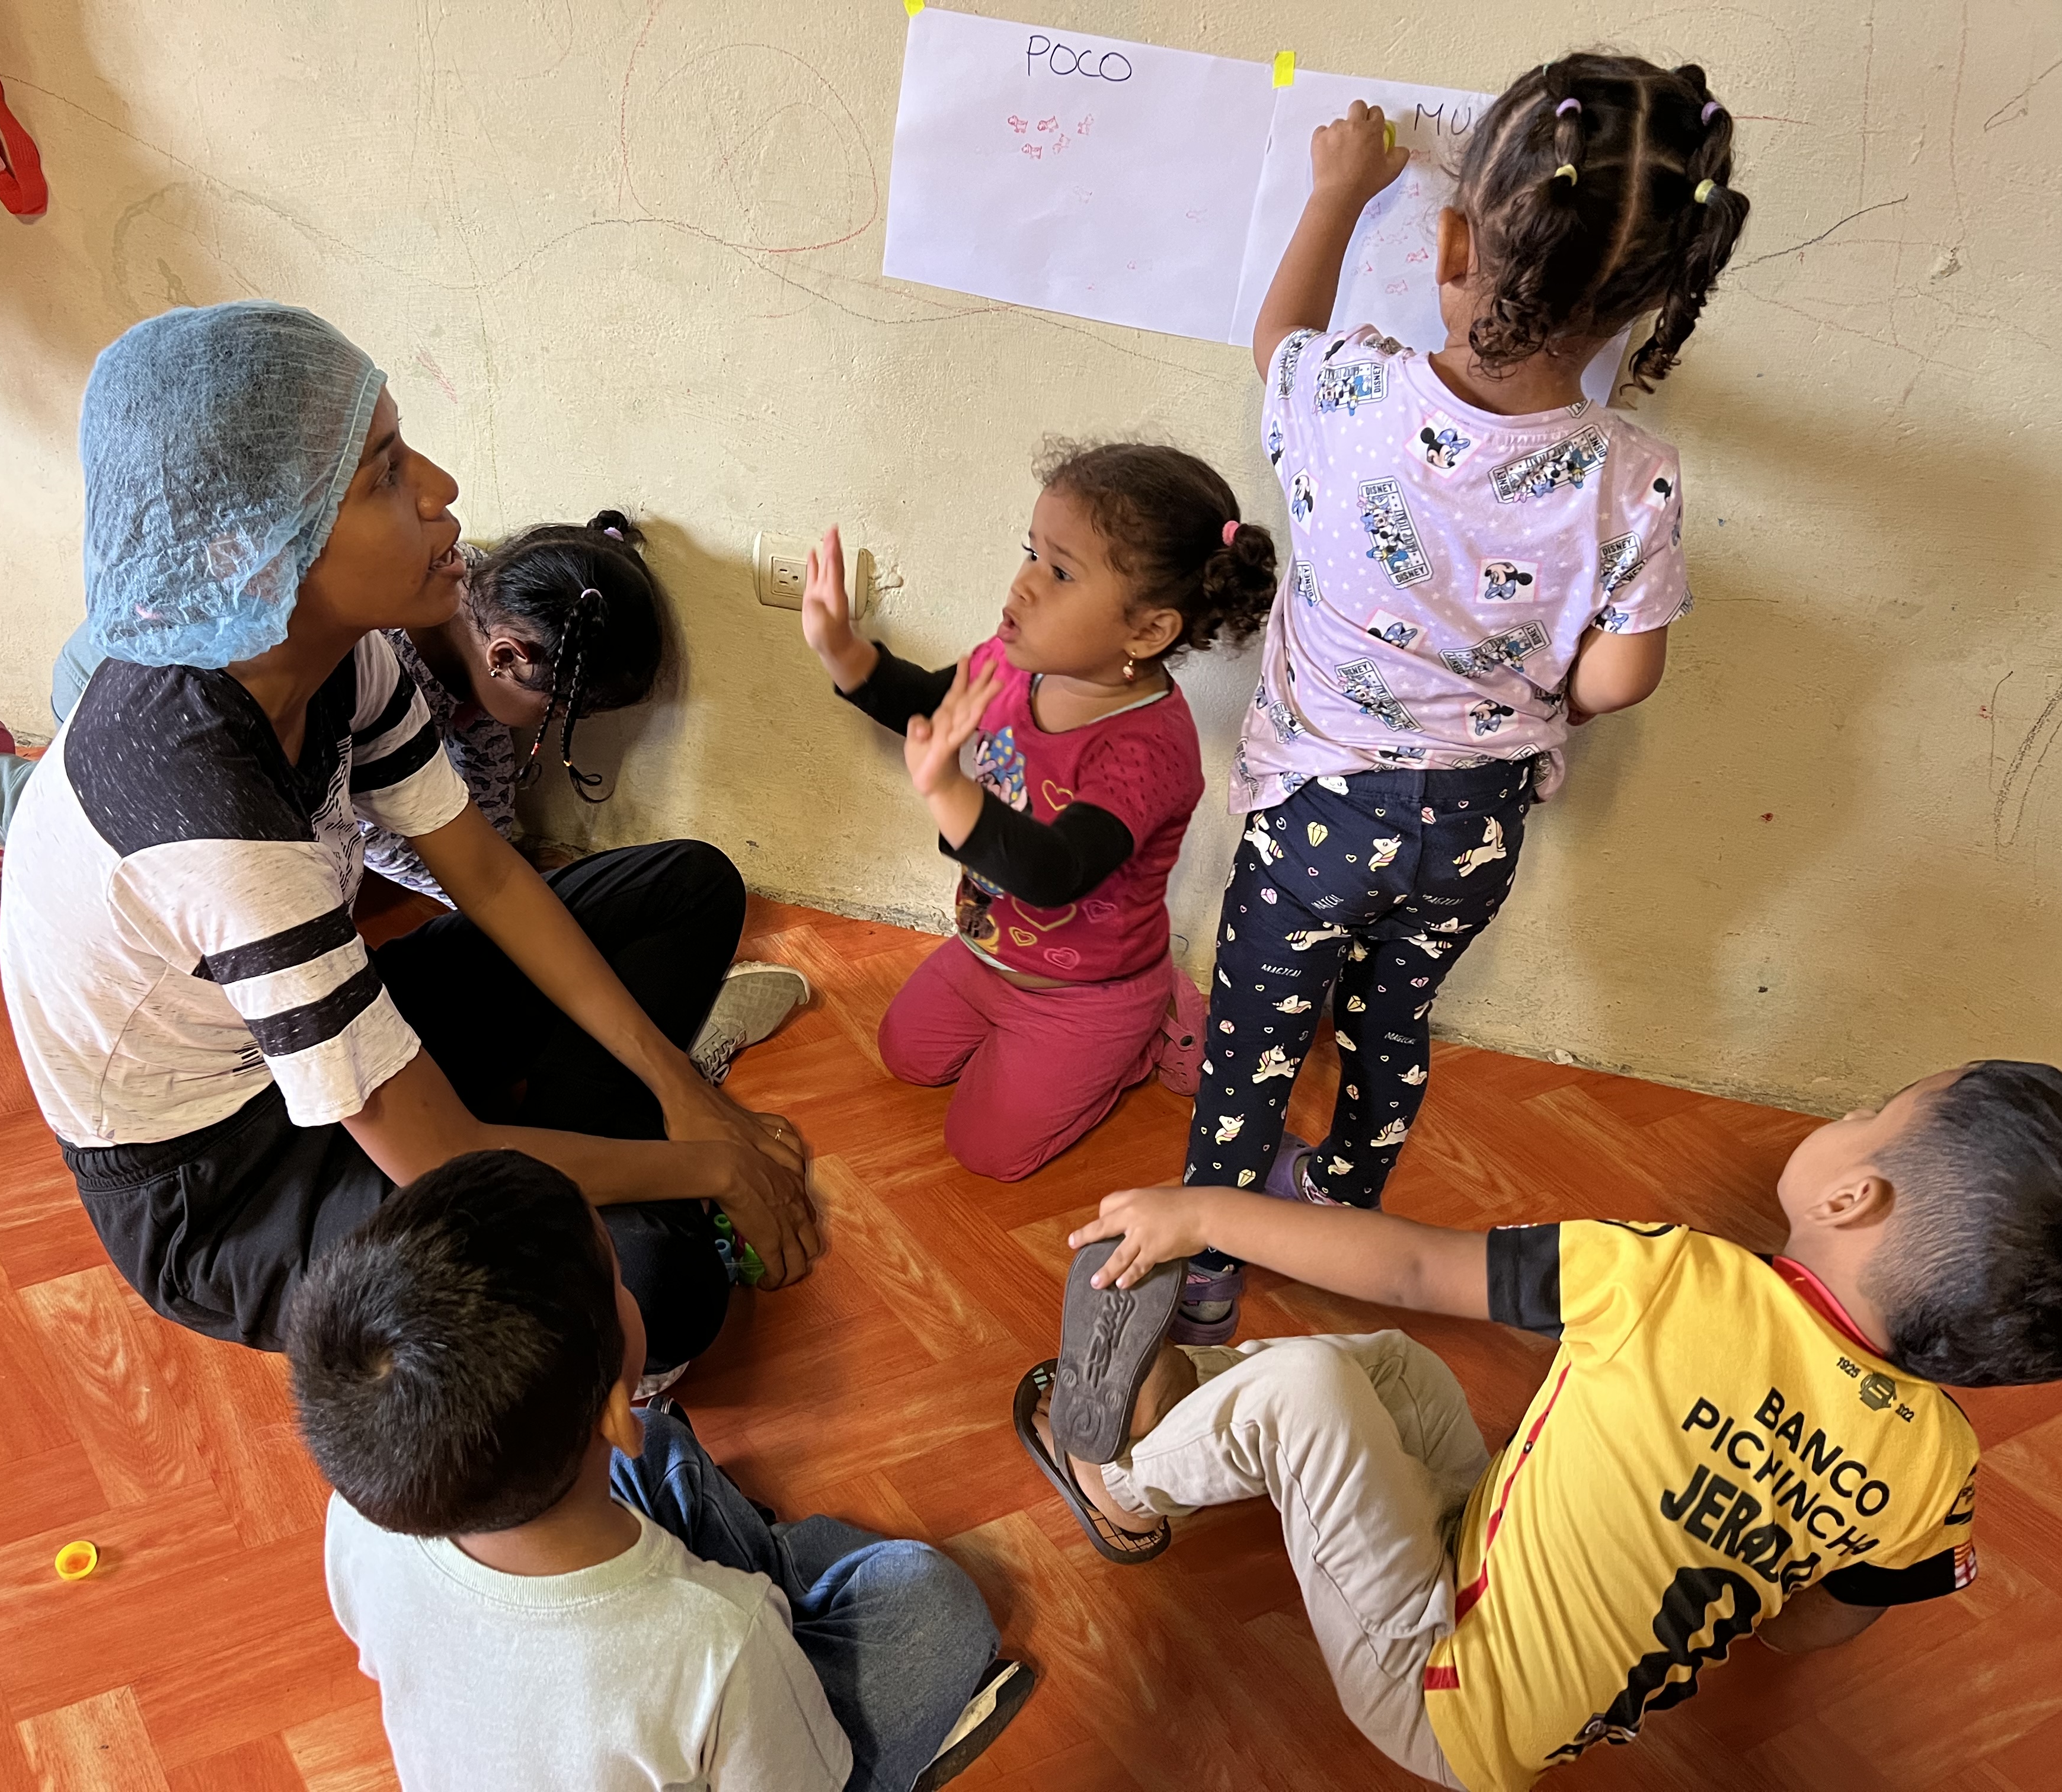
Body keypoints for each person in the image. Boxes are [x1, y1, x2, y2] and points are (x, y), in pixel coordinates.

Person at [0, 300, 817, 1374]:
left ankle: (611, 1144)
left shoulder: (340, 651)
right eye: (384, 472)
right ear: (260, 552)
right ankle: (610, 1180)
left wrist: (683, 1092)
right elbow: (444, 1156)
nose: (441, 488)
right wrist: (715, 1165)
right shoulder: (211, 820)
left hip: (324, 1044)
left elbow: (488, 876)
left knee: (688, 888)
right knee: (661, 1287)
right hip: (221, 1181)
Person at [1014, 1060, 2062, 1789]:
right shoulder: (1938, 1465)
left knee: (1310, 1391)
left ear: (1852, 1198)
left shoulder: (1676, 1280)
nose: (1850, 1112)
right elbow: (1817, 1620)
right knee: (1400, 1371)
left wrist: (1204, 1213)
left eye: (1871, 1108)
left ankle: (1122, 1486)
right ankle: (1193, 1407)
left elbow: (1415, 1264)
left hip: (1440, 1694)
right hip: (1503, 1619)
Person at [1175, 55, 1754, 1339]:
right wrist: (1547, 695)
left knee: (1255, 1038)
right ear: (1650, 301)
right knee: (1394, 1024)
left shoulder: (1350, 391)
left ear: (1449, 246)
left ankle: (1207, 1266)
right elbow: (1621, 676)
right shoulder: (1635, 476)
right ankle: (1344, 1204)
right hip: (1474, 828)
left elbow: (1275, 344)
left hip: (1316, 812)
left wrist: (1336, 194)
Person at [0, 510, 808, 1084]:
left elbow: (470, 799)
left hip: (228, 699)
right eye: (562, 719)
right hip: (130, 690)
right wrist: (488, 882)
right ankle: (10, 793)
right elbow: (402, 832)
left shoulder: (482, 616)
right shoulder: (388, 660)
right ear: (506, 658)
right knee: (183, 833)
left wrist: (501, 864)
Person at [292, 1150, 1034, 1792]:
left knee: (659, 1446)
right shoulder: (716, 1643)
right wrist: (754, 1649)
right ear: (609, 1413)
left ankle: (771, 1584)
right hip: (727, 1687)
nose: (628, 1286)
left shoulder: (357, 1516)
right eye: (620, 1280)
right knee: (935, 1609)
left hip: (625, 1677)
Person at [798, 443, 1278, 1182]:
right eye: (1032, 552)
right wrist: (842, 649)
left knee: (987, 1153)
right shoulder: (1011, 661)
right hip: (988, 949)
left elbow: (1055, 873)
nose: (1023, 584)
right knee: (906, 1057)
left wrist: (949, 791)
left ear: (1148, 632)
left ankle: (1151, 1028)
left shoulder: (1148, 748)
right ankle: (1031, 1037)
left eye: (1060, 572)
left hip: (1088, 995)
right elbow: (929, 700)